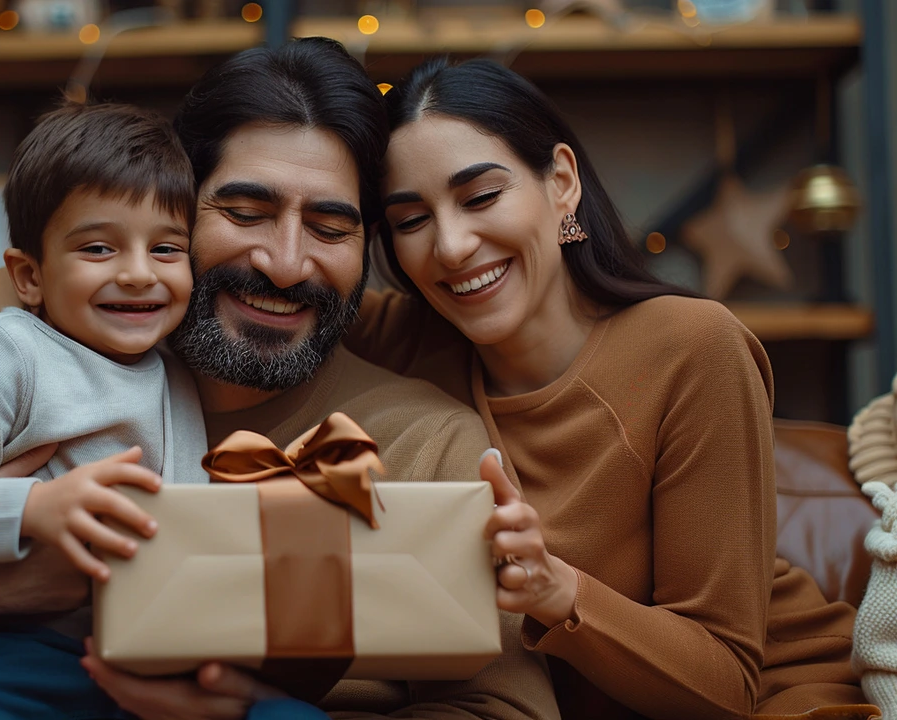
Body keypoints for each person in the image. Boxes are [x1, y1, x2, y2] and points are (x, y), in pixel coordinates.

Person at [0, 38, 562, 720]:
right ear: (174, 211)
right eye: (245, 213)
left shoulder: (426, 441)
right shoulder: (78, 364)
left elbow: (504, 708)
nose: (285, 264)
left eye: (330, 226)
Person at [343, 58, 869, 719]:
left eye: (480, 198)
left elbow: (728, 680)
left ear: (561, 183)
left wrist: (557, 591)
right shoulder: (404, 341)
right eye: (411, 219)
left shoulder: (691, 348)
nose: (450, 246)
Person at [0, 102, 217, 719]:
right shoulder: (6, 348)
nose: (138, 274)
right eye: (99, 248)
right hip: (13, 649)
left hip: (157, 656)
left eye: (166, 249)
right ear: (29, 276)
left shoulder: (179, 369)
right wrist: (32, 507)